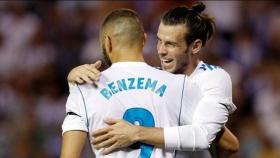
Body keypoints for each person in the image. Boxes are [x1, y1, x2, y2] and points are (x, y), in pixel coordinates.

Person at [67, 2, 238, 158]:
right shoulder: (160, 76)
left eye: (170, 44)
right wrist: (74, 78)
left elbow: (204, 136)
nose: (161, 51)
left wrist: (136, 133)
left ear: (195, 46)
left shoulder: (212, 78)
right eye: (159, 41)